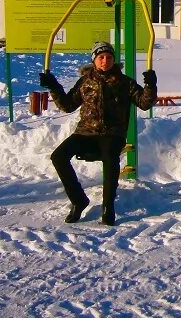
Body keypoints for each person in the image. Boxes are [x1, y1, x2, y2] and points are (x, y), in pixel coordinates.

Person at [39, 41, 158, 226]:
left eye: (109, 57)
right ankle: (79, 201)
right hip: (86, 133)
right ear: (94, 60)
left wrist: (150, 85)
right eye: (101, 57)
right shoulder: (86, 82)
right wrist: (54, 87)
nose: (105, 61)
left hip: (112, 134)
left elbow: (144, 103)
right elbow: (68, 104)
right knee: (58, 156)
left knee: (110, 157)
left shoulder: (124, 82)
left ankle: (108, 207)